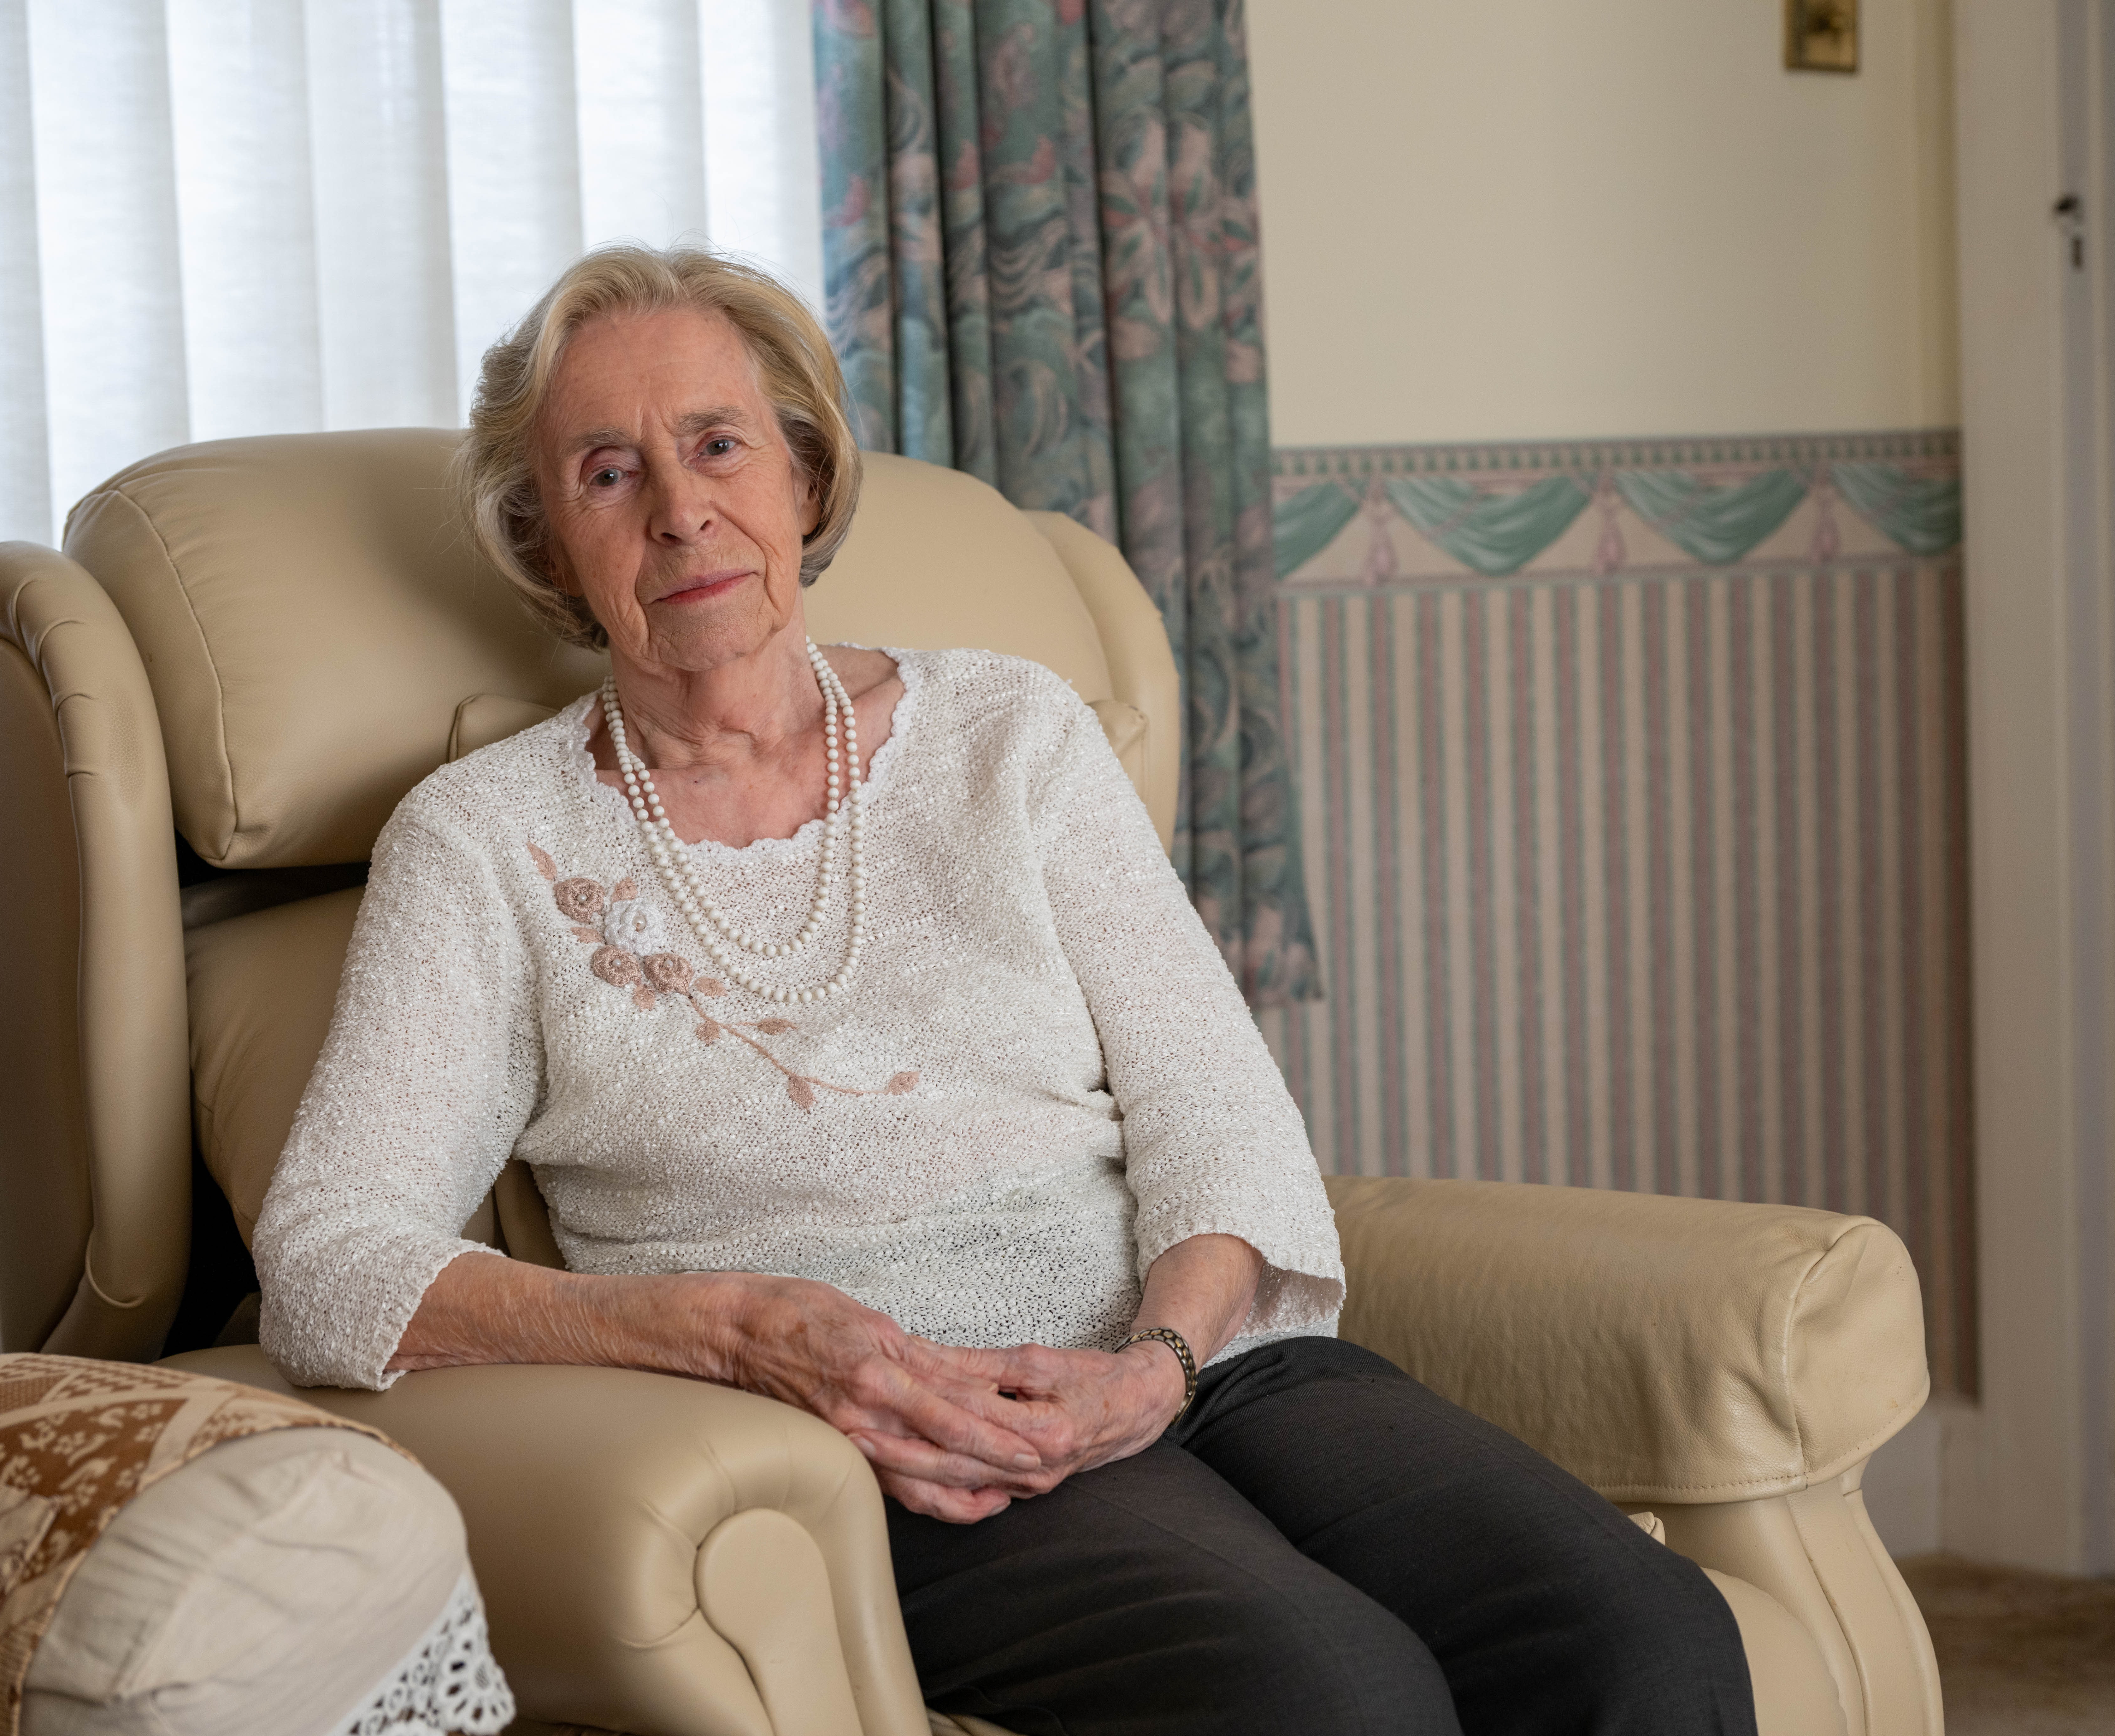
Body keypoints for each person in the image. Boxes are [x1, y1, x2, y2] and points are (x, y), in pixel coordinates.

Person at [253, 242, 1755, 1736]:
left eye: (717, 443)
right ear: (544, 541)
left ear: (802, 472)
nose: (680, 509)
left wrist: (1154, 1368)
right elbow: (328, 1262)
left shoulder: (1011, 731)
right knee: (1331, 1688)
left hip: (1199, 1365)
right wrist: (735, 1328)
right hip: (886, 1429)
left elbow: (1222, 1122)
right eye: (605, 473)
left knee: (1644, 1630)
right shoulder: (483, 838)